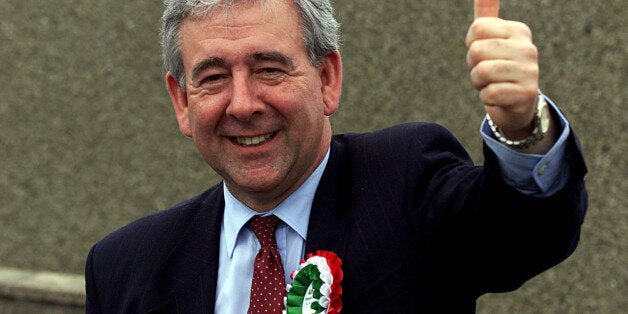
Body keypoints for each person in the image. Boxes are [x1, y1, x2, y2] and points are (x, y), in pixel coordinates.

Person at [85, 0, 588, 312]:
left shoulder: (406, 183)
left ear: (327, 79)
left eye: (269, 69)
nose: (242, 104)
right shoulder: (124, 268)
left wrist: (522, 125)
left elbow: (524, 234)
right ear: (182, 101)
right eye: (213, 78)